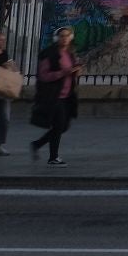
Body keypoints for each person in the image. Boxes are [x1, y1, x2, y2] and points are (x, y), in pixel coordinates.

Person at [28, 26, 81, 166]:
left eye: (67, 36)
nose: (65, 39)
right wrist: (63, 73)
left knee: (63, 126)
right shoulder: (49, 53)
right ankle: (52, 157)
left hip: (67, 96)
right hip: (53, 95)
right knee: (59, 125)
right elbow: (44, 75)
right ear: (57, 38)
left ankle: (37, 145)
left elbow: (70, 71)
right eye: (62, 36)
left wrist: (75, 71)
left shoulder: (69, 54)